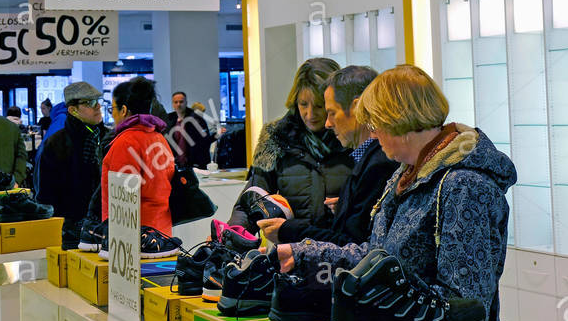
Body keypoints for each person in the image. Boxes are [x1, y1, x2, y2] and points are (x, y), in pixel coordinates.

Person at [274, 65, 516, 321]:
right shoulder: (406, 176)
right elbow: (374, 255)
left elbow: (465, 304)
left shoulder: (465, 185)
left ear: (398, 121)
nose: (371, 134)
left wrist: (384, 291)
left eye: (375, 124)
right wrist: (302, 255)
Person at [258, 65, 396, 246]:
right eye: (303, 104)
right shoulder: (367, 158)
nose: (327, 123)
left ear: (356, 108)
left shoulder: (378, 163)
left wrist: (288, 230)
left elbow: (352, 245)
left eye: (330, 112)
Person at [227, 57, 353, 231]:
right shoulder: (276, 138)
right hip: (290, 251)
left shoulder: (353, 140)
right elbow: (251, 201)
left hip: (344, 250)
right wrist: (233, 235)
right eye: (303, 104)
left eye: (319, 105)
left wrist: (349, 207)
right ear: (295, 101)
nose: (310, 114)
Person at [101, 77, 179, 256]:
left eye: (112, 109)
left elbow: (122, 200)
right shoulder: (158, 138)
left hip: (135, 241)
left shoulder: (125, 142)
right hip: (161, 234)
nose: (112, 115)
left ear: (124, 110)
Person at [33, 81, 109, 249]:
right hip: (71, 231)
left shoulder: (109, 138)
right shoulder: (56, 143)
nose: (97, 106)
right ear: (72, 110)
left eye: (97, 101)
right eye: (89, 103)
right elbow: (45, 194)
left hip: (107, 228)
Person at [167, 91, 213, 169]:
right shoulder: (169, 119)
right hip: (176, 164)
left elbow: (205, 142)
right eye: (176, 102)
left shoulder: (197, 119)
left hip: (195, 164)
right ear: (173, 104)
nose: (178, 104)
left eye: (181, 102)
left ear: (186, 102)